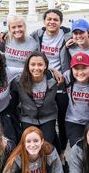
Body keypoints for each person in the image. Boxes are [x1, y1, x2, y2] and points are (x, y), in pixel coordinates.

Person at [31, 9, 71, 163]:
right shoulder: (38, 35)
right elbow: (18, 34)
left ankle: (61, 151)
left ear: (60, 22)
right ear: (44, 21)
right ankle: (51, 148)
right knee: (47, 116)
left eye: (55, 19)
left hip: (61, 82)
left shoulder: (67, 35)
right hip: (43, 80)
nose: (52, 22)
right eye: (49, 19)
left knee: (62, 117)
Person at [11, 51, 59, 145]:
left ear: (45, 66)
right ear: (28, 66)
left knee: (46, 144)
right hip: (28, 117)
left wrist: (54, 70)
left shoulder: (53, 81)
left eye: (40, 64)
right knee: (30, 143)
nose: (36, 68)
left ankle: (58, 155)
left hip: (48, 117)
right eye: (33, 64)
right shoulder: (19, 81)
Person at [64, 53, 89, 147]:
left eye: (84, 68)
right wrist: (54, 70)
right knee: (78, 148)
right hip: (73, 121)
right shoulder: (67, 77)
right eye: (76, 68)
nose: (80, 72)